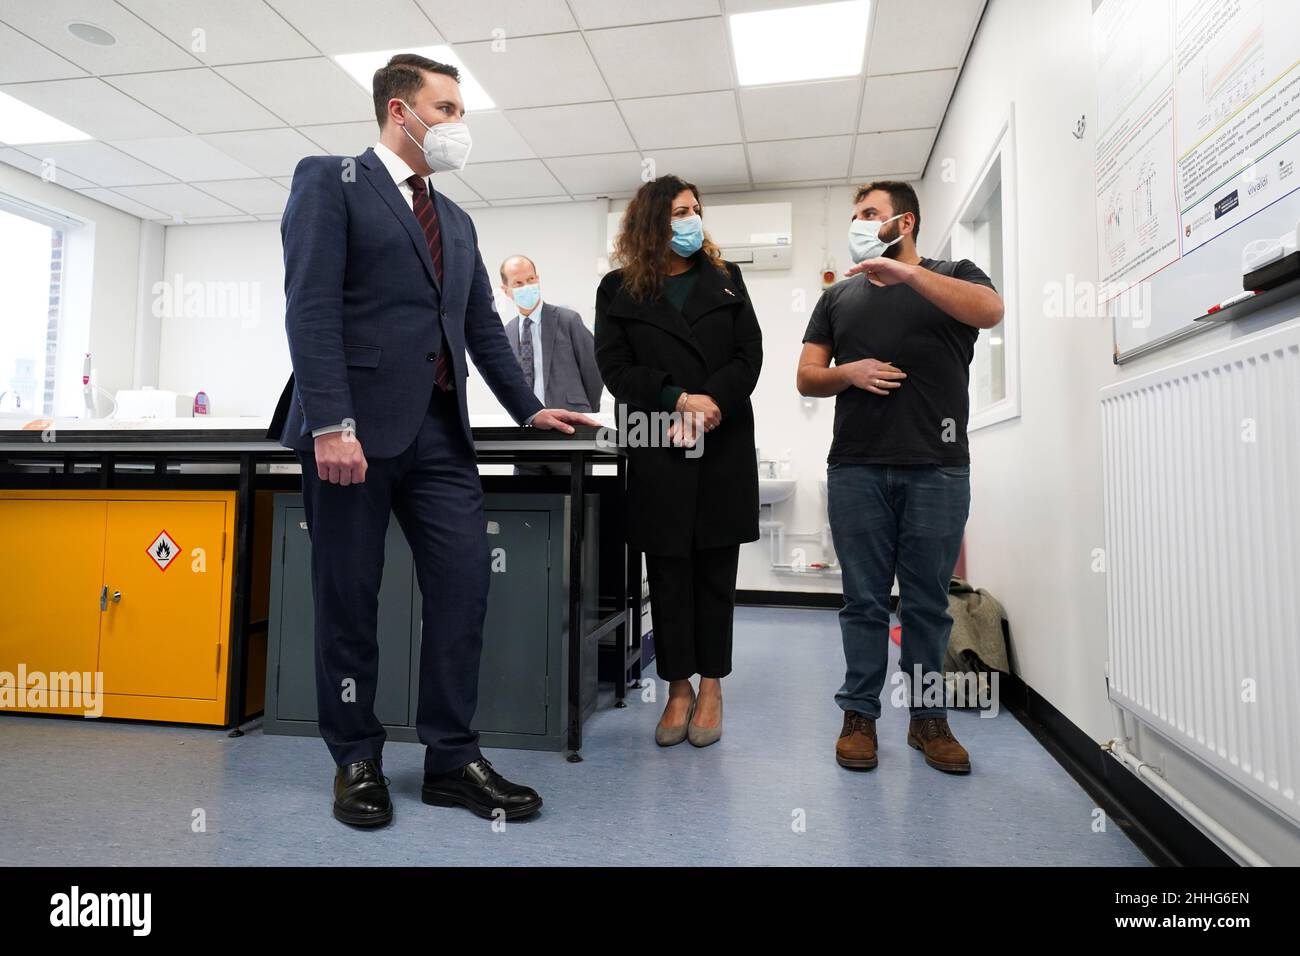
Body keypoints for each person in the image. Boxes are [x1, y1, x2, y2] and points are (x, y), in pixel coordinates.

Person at [266, 53, 596, 827]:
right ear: (399, 113)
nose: (458, 126)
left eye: (459, 111)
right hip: (353, 433)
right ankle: (355, 758)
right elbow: (309, 308)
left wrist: (528, 410)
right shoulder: (329, 180)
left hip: (442, 436)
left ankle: (451, 756)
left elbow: (478, 325)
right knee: (349, 597)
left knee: (465, 587)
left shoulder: (456, 218)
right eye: (446, 109)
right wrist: (332, 422)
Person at [796, 180, 1003, 775]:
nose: (859, 223)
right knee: (861, 602)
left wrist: (907, 275)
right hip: (856, 465)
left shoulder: (953, 273)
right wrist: (850, 372)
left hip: (937, 467)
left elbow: (991, 312)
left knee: (928, 604)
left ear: (903, 222)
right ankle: (858, 715)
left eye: (870, 214)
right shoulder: (839, 297)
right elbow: (808, 376)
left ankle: (927, 721)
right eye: (856, 215)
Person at [595, 174, 762, 748]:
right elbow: (615, 369)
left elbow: (749, 355)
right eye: (677, 212)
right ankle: (677, 688)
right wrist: (677, 398)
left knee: (716, 570)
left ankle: (712, 685)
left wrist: (711, 400)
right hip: (659, 443)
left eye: (695, 209)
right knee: (667, 573)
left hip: (722, 442)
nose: (690, 220)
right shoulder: (617, 289)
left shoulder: (726, 279)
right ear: (651, 225)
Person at [500, 255, 603, 475]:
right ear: (506, 290)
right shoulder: (506, 333)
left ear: (538, 279)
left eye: (530, 279)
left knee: (572, 503)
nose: (527, 286)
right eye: (518, 283)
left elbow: (593, 371)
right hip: (527, 436)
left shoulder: (568, 320)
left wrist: (584, 410)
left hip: (570, 431)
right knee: (528, 504)